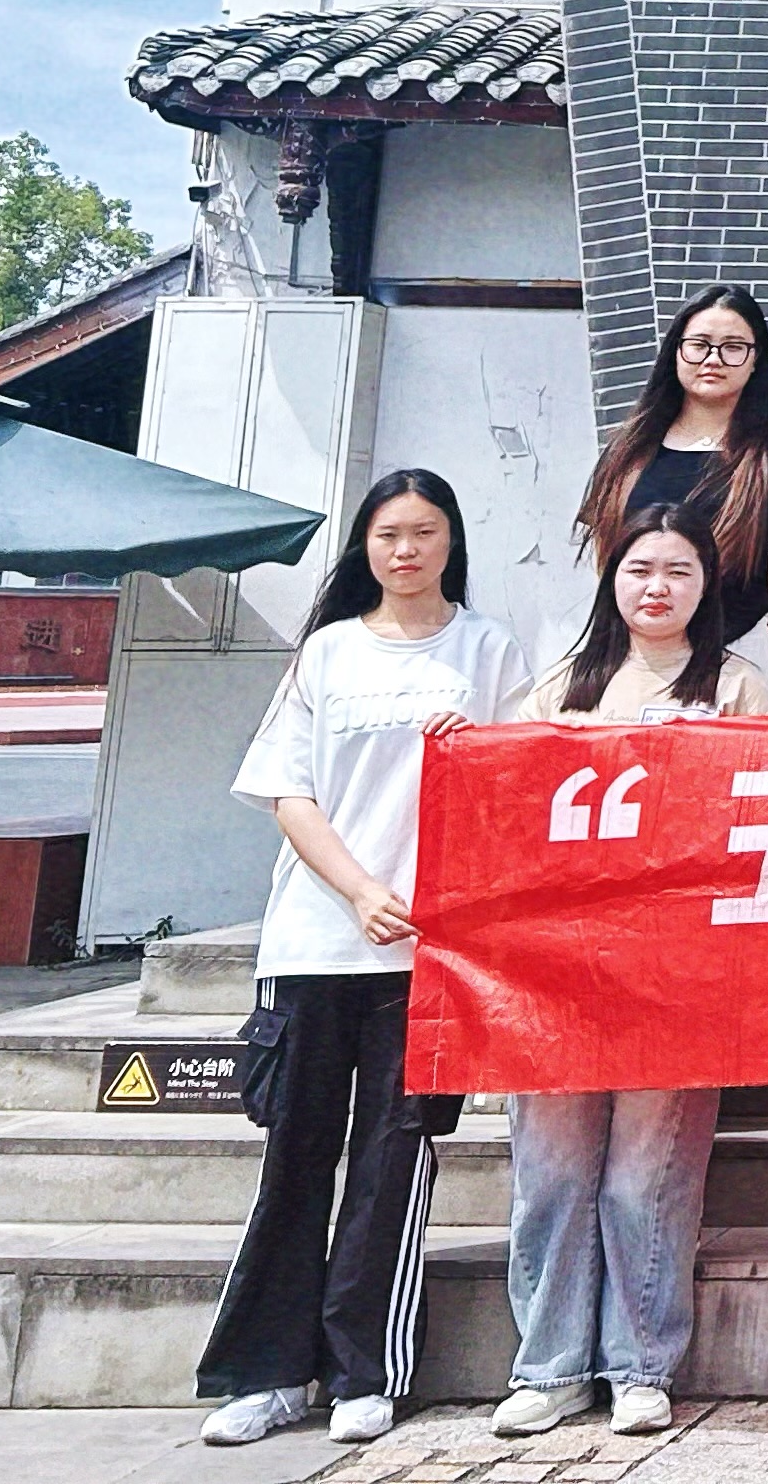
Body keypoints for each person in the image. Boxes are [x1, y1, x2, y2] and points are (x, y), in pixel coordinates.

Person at [195, 471, 533, 1449]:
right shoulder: (328, 652)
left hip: (430, 954)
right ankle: (267, 1374)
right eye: (388, 535)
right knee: (295, 1154)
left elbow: (524, 784)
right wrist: (358, 891)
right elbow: (289, 793)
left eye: (424, 533)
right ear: (365, 546)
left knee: (395, 1161)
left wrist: (480, 752)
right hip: (316, 939)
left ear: (451, 541)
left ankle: (363, 1373)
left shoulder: (487, 650)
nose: (406, 551)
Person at [491, 507, 768, 1438]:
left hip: (676, 974)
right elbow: (503, 807)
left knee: (644, 1178)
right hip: (559, 978)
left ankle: (639, 1365)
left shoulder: (737, 687)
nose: (658, 587)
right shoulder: (559, 688)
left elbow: (762, 818)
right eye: (641, 568)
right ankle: (548, 1368)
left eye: (680, 571)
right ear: (612, 579)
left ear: (708, 586)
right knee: (552, 1174)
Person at [572, 282, 768, 690]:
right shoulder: (628, 448)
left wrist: (763, 654)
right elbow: (606, 553)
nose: (713, 359)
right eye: (699, 345)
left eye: (733, 347)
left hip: (737, 650)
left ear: (755, 360)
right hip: (634, 654)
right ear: (675, 351)